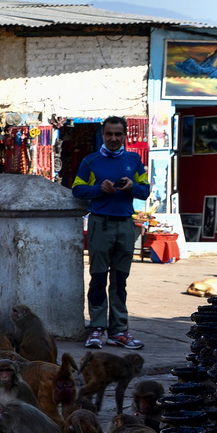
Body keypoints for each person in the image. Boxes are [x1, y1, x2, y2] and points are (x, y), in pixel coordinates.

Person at [72, 114, 149, 351]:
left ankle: (118, 331)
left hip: (125, 225)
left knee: (119, 280)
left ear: (125, 135)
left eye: (118, 134)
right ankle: (96, 328)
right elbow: (77, 189)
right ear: (102, 134)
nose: (114, 138)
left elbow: (145, 191)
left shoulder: (134, 160)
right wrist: (98, 189)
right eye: (109, 134)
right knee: (97, 278)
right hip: (99, 224)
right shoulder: (90, 161)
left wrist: (132, 187)